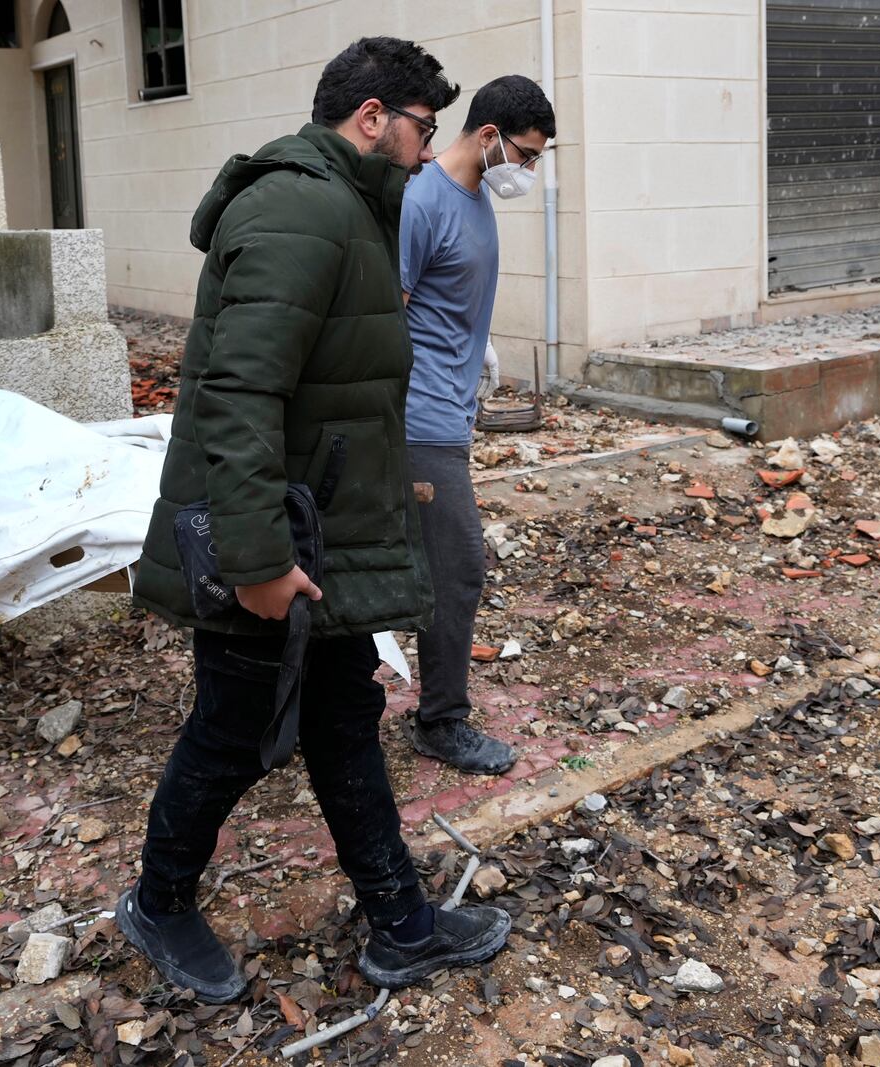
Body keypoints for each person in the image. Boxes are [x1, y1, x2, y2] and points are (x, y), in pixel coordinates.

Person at [125, 37, 512, 1002]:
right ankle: (158, 901)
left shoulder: (345, 207)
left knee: (343, 717)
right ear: (372, 117)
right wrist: (256, 560)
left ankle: (402, 923)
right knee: (232, 731)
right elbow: (237, 391)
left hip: (317, 538)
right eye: (423, 129)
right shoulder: (301, 206)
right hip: (273, 546)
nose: (430, 153)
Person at [398, 75, 555, 776]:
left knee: (415, 567)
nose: (527, 172)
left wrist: (474, 343)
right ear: (487, 136)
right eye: (524, 154)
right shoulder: (423, 200)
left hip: (449, 411)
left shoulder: (471, 195)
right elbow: (386, 310)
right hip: (418, 420)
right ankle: (441, 722)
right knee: (458, 570)